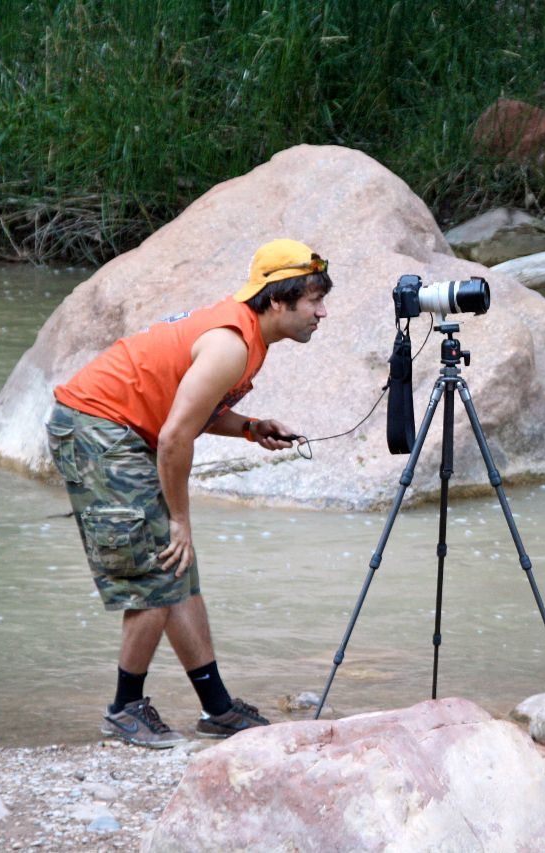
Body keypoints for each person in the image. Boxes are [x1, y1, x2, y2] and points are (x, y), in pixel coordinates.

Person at [45, 239, 331, 748]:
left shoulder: (247, 338)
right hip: (98, 429)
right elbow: (176, 437)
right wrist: (181, 520)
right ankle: (123, 709)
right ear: (278, 299)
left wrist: (249, 427)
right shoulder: (231, 344)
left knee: (179, 572)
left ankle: (217, 710)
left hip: (123, 430)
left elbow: (194, 409)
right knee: (158, 567)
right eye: (313, 300)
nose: (322, 312)